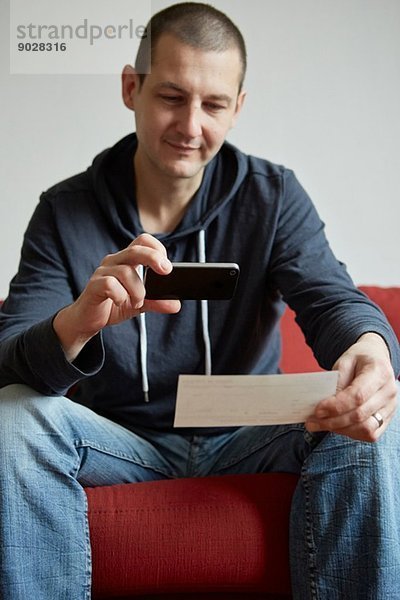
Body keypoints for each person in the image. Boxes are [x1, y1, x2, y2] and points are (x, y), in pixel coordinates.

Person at [0, 2, 399, 598]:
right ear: (131, 88)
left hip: (252, 436)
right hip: (119, 442)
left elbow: (329, 296)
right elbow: (8, 353)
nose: (191, 126)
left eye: (213, 105)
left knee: (370, 420)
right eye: (170, 96)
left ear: (238, 107)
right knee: (14, 417)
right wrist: (75, 324)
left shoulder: (274, 195)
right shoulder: (64, 210)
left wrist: (370, 348)